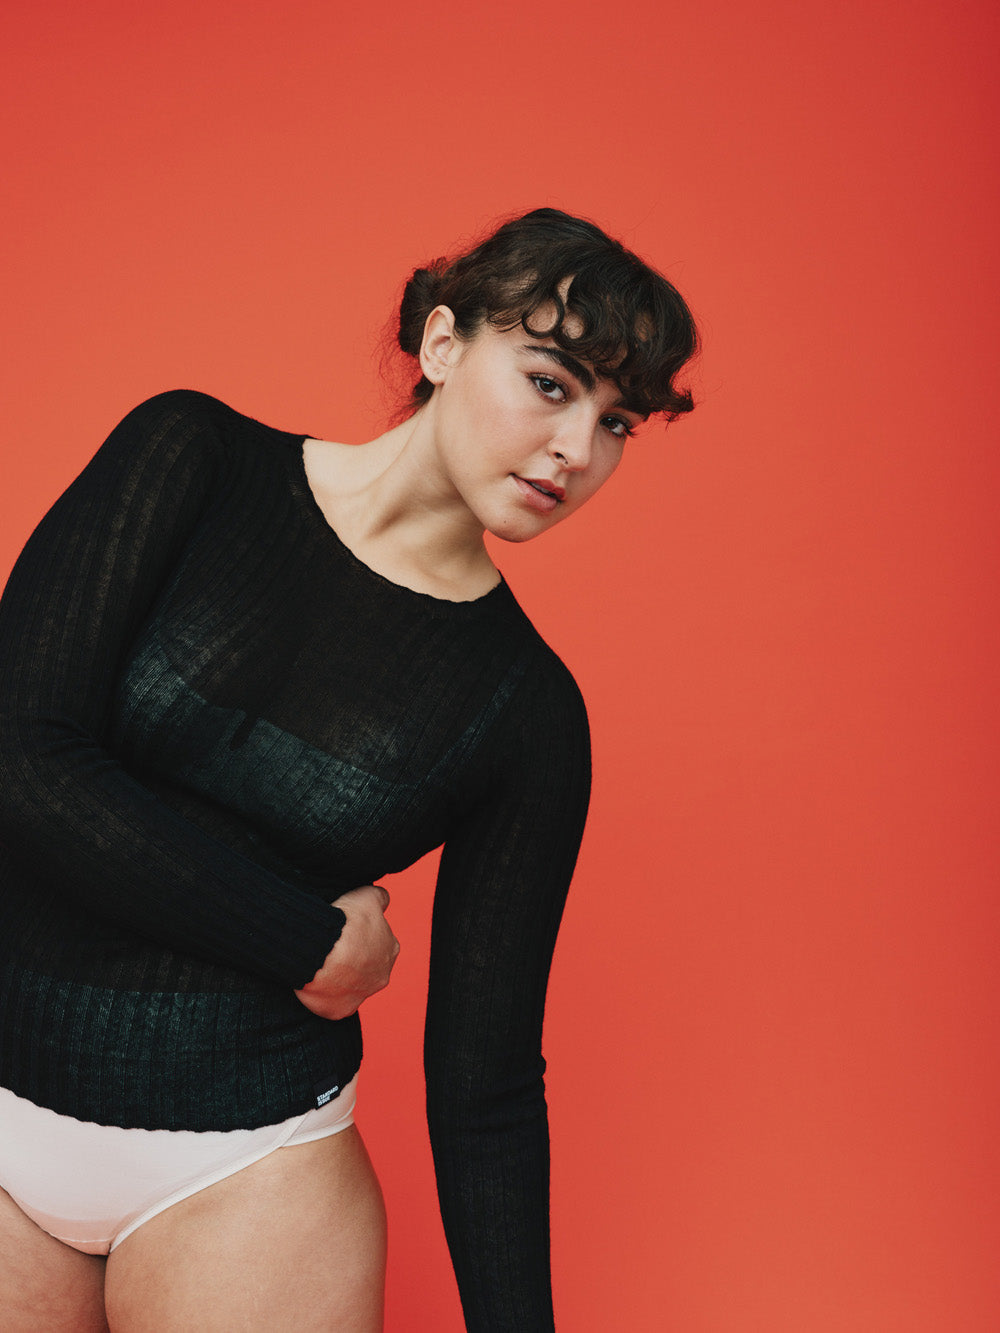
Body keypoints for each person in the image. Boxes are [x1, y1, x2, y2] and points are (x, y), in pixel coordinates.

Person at [0, 207, 698, 1332]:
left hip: (242, 1178)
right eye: (554, 384)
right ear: (439, 343)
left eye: (620, 423)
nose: (579, 450)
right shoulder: (191, 457)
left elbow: (486, 1086)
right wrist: (307, 937)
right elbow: (19, 763)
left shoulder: (528, 714)